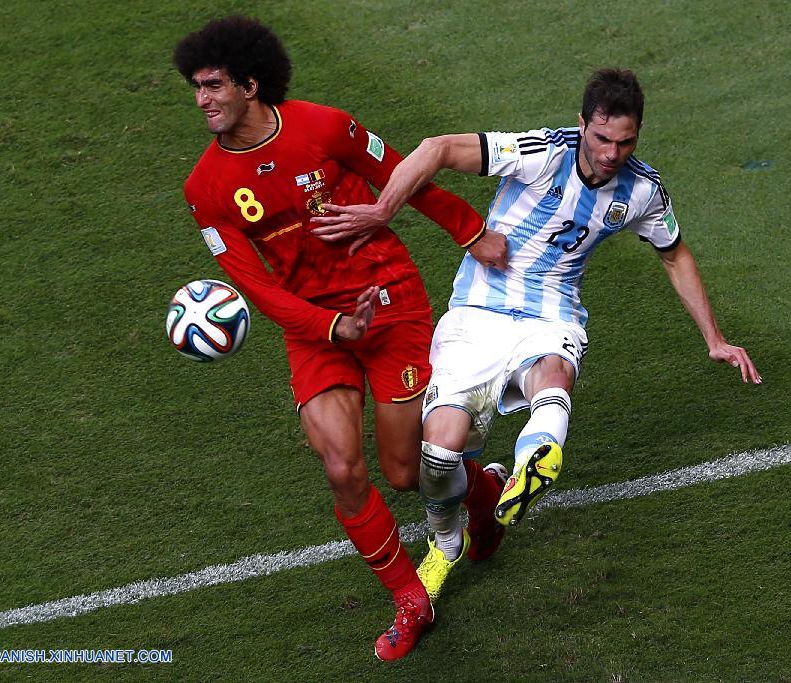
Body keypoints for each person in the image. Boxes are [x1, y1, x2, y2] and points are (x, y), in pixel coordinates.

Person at [311, 68, 762, 600]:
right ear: (581, 125)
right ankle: (447, 542)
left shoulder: (642, 190)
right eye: (601, 139)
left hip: (552, 314)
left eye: (625, 142)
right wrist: (384, 209)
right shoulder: (542, 152)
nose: (612, 153)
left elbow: (674, 253)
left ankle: (537, 458)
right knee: (437, 455)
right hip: (478, 311)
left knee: (553, 374)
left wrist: (714, 337)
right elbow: (435, 148)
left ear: (637, 135)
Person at [172, 16, 507, 661]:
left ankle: (481, 490)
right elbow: (258, 289)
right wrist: (329, 326)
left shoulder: (323, 127)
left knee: (406, 473)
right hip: (315, 328)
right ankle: (410, 599)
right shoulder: (205, 189)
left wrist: (470, 230)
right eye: (196, 87)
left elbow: (404, 176)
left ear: (250, 83)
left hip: (388, 304)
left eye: (214, 85)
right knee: (341, 468)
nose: (203, 99)